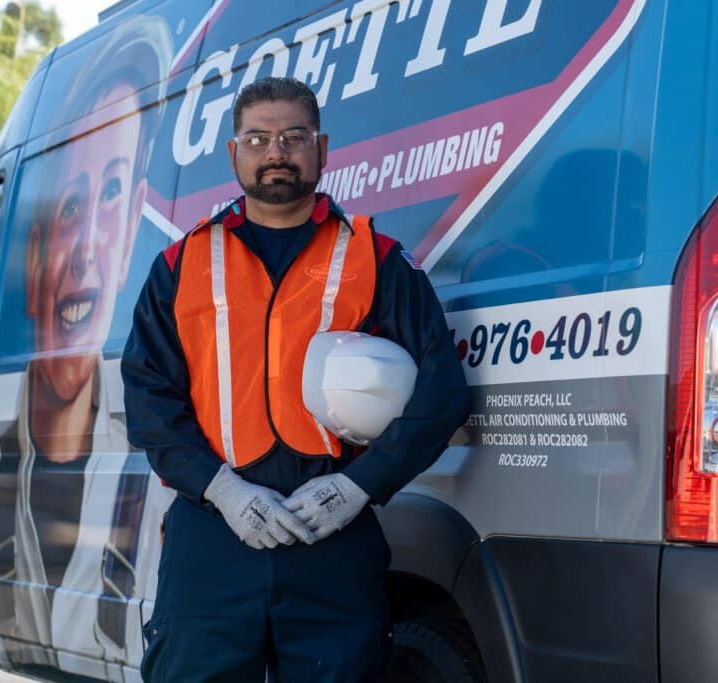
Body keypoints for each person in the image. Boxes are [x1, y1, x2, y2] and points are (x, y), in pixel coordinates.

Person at [121, 76, 471, 682]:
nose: (275, 151)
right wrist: (224, 493)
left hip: (333, 541)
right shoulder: (182, 265)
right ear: (234, 154)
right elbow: (149, 398)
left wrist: (360, 487)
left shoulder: (377, 257)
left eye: (292, 136)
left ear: (322, 148)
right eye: (257, 138)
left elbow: (442, 393)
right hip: (212, 542)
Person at [0, 16, 174, 679]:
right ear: (31, 252)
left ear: (129, 238)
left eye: (112, 194)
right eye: (67, 208)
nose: (86, 248)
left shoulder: (170, 474)